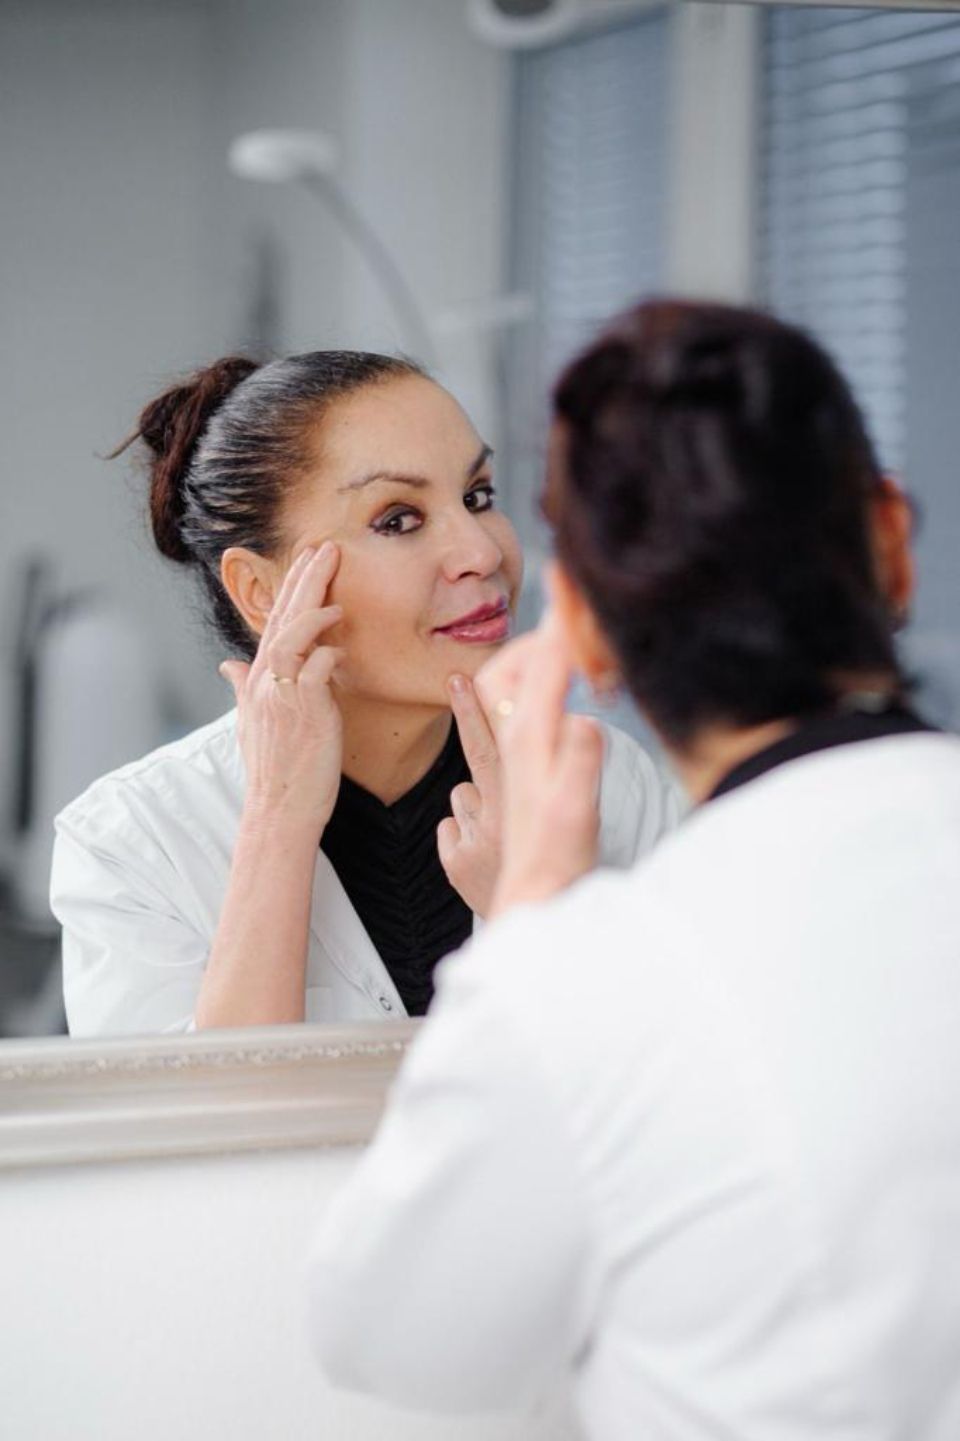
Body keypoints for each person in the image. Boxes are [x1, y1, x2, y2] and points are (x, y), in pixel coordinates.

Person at [308, 302, 960, 1437]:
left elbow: (398, 1345)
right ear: (893, 538)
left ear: (588, 635)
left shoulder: (585, 979)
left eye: (478, 499)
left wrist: (523, 935)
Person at [51, 350, 677, 1036]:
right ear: (261, 592)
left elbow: (675, 1111)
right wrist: (279, 821)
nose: (482, 550)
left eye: (477, 496)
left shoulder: (611, 786)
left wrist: (532, 919)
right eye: (399, 518)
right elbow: (194, 1133)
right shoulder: (134, 841)